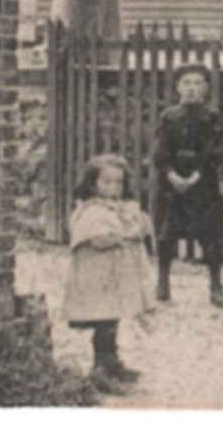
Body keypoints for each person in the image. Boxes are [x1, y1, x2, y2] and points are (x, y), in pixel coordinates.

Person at [64, 154, 155, 394]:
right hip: (98, 277)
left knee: (113, 317)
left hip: (115, 276)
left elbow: (136, 228)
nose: (114, 187)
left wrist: (139, 226)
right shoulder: (92, 211)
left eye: (118, 182)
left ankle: (112, 361)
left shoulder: (120, 208)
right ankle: (100, 369)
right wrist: (125, 235)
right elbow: (98, 239)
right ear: (93, 183)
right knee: (103, 320)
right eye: (107, 182)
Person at [152, 63, 223, 308]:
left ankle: (216, 285)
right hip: (171, 185)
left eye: (197, 83)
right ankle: (162, 282)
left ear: (206, 88)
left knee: (211, 235)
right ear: (177, 88)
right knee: (166, 234)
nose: (192, 89)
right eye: (186, 83)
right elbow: (159, 151)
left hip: (203, 184)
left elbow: (218, 150)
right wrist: (171, 174)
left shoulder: (212, 118)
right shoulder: (168, 117)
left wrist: (197, 174)